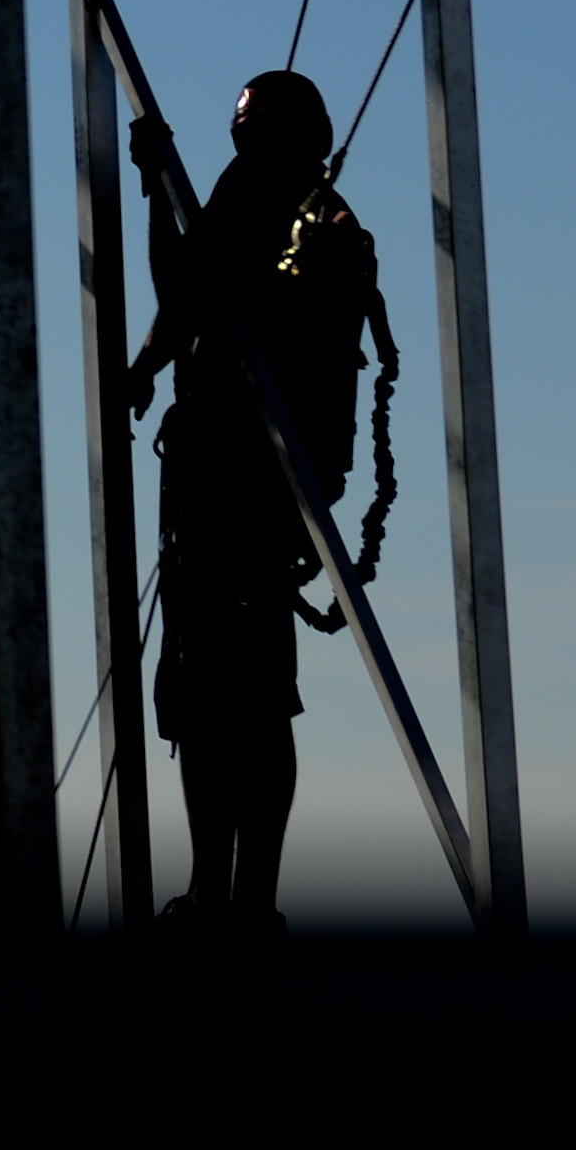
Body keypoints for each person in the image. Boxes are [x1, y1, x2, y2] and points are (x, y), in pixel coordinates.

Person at [118, 69, 373, 940]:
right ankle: (226, 894)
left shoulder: (304, 222)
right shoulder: (294, 211)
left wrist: (155, 186)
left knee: (233, 695)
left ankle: (232, 898)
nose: (250, 153)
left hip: (239, 480)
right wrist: (148, 368)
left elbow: (189, 288)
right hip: (244, 481)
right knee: (222, 693)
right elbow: (191, 305)